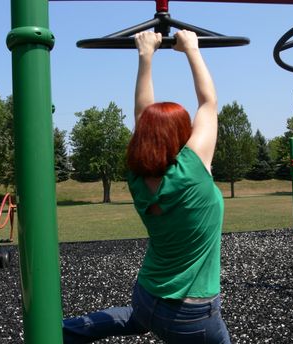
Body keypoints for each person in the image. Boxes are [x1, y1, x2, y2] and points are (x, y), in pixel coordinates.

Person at [62, 29, 230, 344]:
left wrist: (145, 55)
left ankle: (60, 331)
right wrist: (191, 49)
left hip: (146, 297)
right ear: (183, 135)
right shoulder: (192, 170)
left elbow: (143, 117)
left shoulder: (136, 177)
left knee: (139, 319)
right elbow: (208, 103)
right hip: (191, 316)